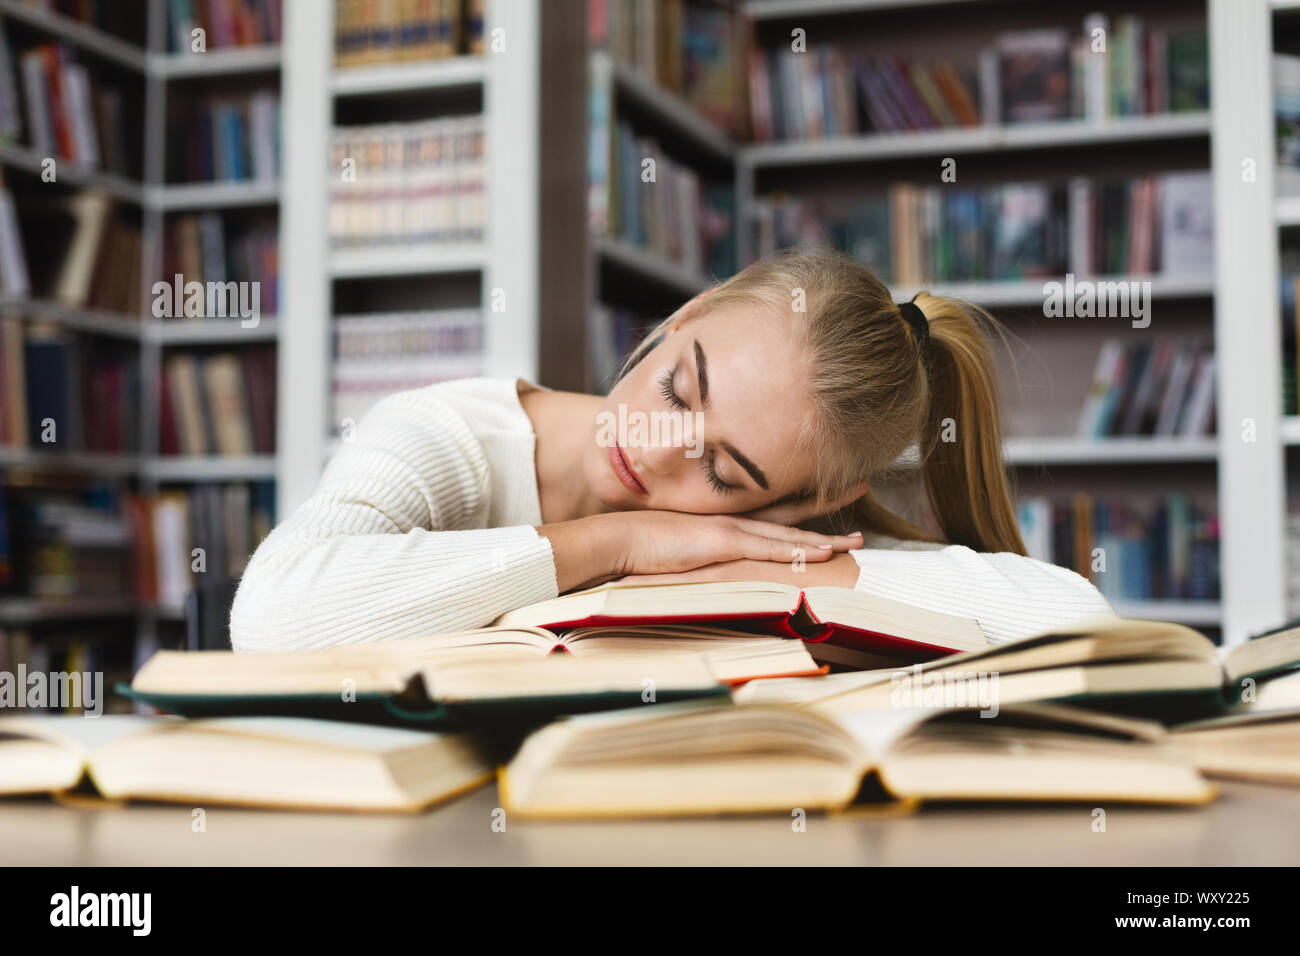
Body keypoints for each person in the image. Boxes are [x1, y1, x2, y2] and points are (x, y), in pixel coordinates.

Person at [230, 249, 1114, 652]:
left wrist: (758, 570)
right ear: (678, 320)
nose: (653, 453)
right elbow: (271, 621)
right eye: (678, 388)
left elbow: (1076, 622)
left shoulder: (770, 536)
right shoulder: (447, 434)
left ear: (797, 506)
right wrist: (622, 547)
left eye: (722, 471)